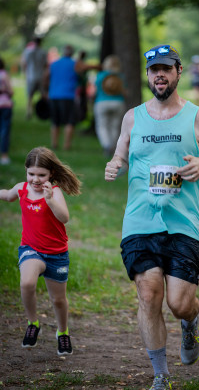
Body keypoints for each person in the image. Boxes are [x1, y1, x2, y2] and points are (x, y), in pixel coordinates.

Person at [105, 44, 199, 390]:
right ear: (148, 76)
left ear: (177, 73)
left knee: (178, 303)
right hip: (140, 220)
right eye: (153, 70)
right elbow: (120, 153)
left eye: (165, 69)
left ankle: (191, 323)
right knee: (148, 294)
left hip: (183, 223)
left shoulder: (197, 116)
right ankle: (161, 376)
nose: (159, 75)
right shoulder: (133, 117)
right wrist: (115, 164)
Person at [0, 147, 81, 355]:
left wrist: (50, 200)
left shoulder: (55, 192)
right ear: (26, 171)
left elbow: (64, 217)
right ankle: (33, 323)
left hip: (56, 254)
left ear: (51, 174)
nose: (35, 179)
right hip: (31, 249)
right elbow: (8, 195)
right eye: (31, 174)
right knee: (26, 283)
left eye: (41, 175)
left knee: (58, 300)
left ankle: (62, 332)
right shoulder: (21, 189)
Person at [47, 45, 79, 150]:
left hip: (54, 95)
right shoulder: (75, 64)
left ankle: (54, 144)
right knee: (69, 121)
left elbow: (45, 76)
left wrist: (45, 90)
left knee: (55, 121)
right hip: (68, 96)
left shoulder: (54, 64)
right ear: (72, 53)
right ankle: (67, 145)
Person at [94, 55, 126, 156]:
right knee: (115, 126)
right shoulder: (120, 76)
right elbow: (124, 90)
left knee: (102, 125)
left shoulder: (100, 76)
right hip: (118, 103)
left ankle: (106, 145)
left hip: (101, 102)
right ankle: (113, 146)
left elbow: (96, 89)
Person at [22, 37, 47, 119]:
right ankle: (43, 111)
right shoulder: (43, 52)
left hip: (31, 76)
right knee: (43, 95)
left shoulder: (28, 52)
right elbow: (45, 65)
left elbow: (24, 64)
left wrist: (24, 73)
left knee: (30, 96)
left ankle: (29, 112)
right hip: (40, 76)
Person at [0, 57, 13, 165]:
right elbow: (11, 91)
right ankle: (4, 156)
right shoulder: (4, 74)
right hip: (5, 105)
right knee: (4, 131)